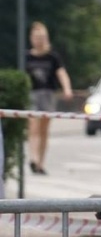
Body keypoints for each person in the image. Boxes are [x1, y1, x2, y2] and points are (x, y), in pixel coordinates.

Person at [25, 21, 73, 175]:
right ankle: (33, 158)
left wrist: (67, 89)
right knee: (33, 127)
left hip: (48, 94)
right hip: (32, 94)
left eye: (41, 37)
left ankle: (40, 162)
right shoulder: (27, 57)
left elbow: (61, 73)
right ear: (31, 38)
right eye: (36, 37)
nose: (38, 40)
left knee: (44, 130)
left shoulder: (53, 56)